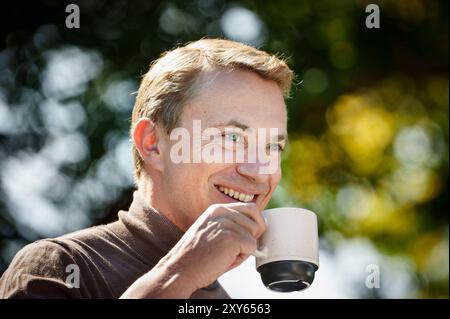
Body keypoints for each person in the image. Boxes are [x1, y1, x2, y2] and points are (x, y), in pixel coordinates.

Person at [0, 38, 293, 298]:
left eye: (273, 147)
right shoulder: (62, 266)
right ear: (152, 143)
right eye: (231, 137)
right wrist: (178, 274)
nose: (258, 170)